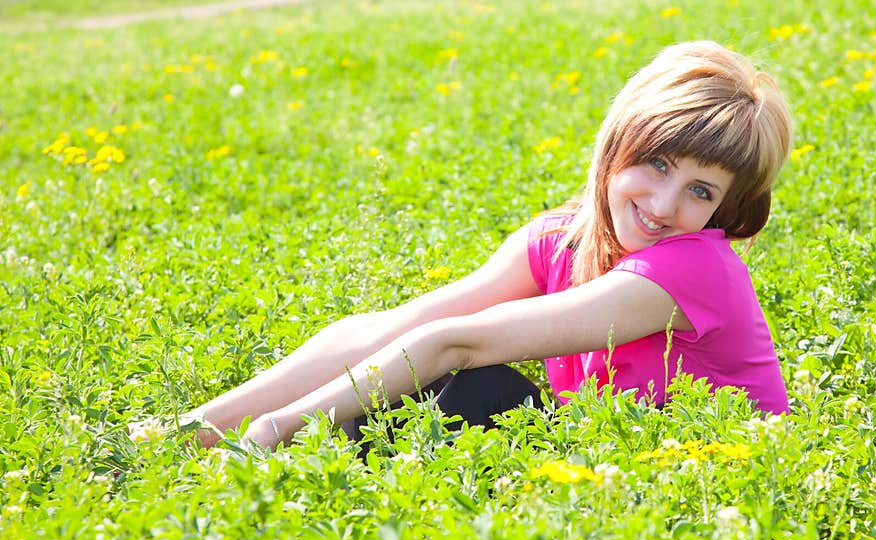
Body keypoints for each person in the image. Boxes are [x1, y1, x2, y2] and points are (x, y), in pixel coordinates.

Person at [182, 40, 793, 452]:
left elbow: (458, 342)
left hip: (707, 486)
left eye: (700, 190)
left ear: (724, 208)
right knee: (421, 383)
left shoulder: (695, 266)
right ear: (616, 146)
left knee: (475, 391)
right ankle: (201, 444)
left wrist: (276, 429)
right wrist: (198, 427)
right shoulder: (560, 239)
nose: (664, 206)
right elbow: (388, 328)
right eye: (656, 163)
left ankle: (273, 461)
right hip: (606, 468)